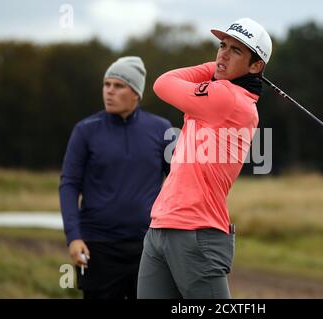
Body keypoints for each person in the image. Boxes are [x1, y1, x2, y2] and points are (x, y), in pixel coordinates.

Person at [137, 18, 272, 298]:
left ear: (256, 66)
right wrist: (227, 66)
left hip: (197, 232)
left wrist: (215, 69)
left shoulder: (227, 97)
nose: (223, 53)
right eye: (222, 46)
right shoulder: (227, 92)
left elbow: (163, 84)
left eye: (236, 51)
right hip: (162, 224)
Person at [59, 56, 173, 299]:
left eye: (118, 85)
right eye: (106, 84)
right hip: (97, 247)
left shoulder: (162, 129)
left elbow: (179, 183)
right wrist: (73, 236)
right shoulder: (85, 130)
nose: (109, 91)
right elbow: (69, 184)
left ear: (136, 93)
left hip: (149, 247)